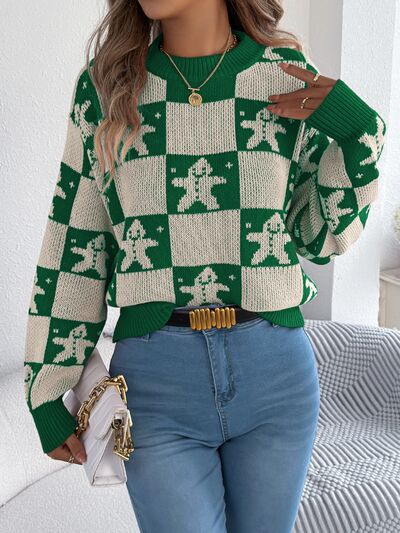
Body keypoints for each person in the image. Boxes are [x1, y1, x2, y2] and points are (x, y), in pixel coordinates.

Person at [23, 0, 386, 531]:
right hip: (156, 386)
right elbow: (76, 242)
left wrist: (359, 132)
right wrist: (45, 386)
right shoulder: (105, 89)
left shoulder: (282, 75)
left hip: (276, 377)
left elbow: (317, 235)